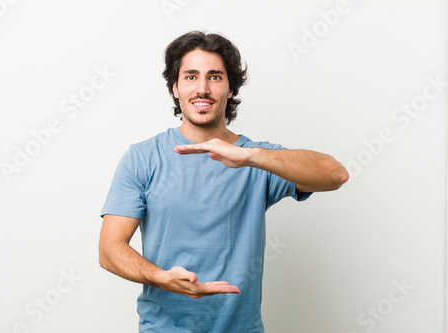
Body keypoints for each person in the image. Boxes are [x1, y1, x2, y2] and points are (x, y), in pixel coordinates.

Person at [99, 31, 349, 332]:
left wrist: (250, 156)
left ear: (230, 89)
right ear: (175, 88)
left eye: (215, 77)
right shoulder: (142, 157)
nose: (202, 89)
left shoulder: (256, 159)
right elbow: (109, 249)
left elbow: (335, 174)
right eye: (191, 77)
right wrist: (161, 277)